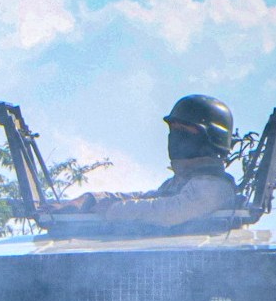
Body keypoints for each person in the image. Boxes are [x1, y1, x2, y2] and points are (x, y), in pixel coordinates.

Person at [56, 94, 240, 227]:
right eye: (174, 130)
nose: (176, 137)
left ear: (211, 138)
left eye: (184, 130)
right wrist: (92, 200)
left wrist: (112, 209)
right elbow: (148, 198)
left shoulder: (214, 187)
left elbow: (169, 211)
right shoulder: (180, 183)